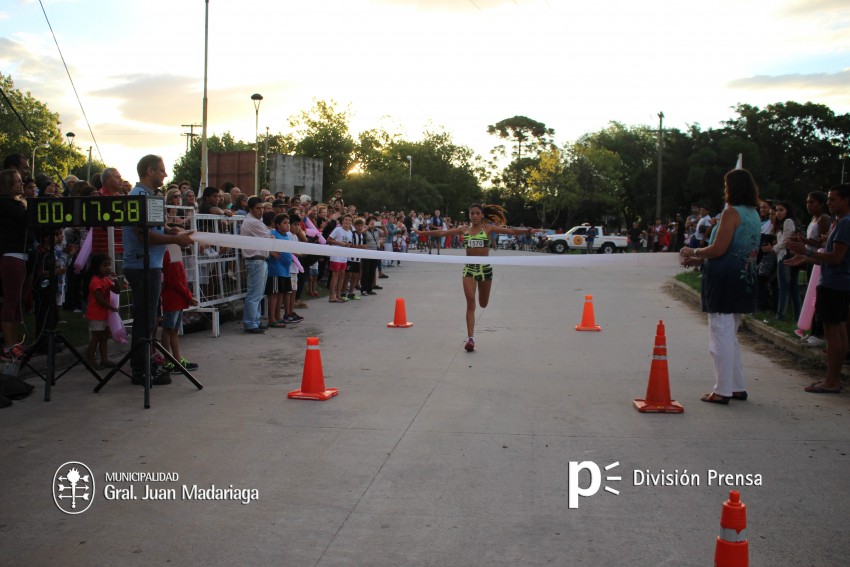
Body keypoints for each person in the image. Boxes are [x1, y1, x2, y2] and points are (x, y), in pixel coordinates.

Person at [680, 169, 761, 404]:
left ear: (732, 188)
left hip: (724, 279)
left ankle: (722, 389)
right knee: (730, 334)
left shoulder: (731, 213)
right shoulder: (754, 214)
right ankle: (736, 385)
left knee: (719, 336)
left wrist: (693, 250)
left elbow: (719, 248)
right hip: (743, 277)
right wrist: (700, 259)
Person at [417, 203, 536, 352]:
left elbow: (511, 230)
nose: (474, 216)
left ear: (482, 215)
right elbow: (442, 233)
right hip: (469, 270)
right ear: (469, 215)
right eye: (472, 213)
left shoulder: (488, 228)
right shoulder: (463, 229)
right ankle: (471, 339)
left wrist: (529, 231)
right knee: (470, 302)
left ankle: (477, 316)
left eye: (477, 213)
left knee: (483, 303)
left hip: (485, 270)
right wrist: (422, 234)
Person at [122, 155, 195, 385]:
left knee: (151, 317)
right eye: (161, 170)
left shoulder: (150, 196)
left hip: (151, 264)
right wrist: (175, 240)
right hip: (140, 264)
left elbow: (154, 226)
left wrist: (170, 230)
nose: (165, 175)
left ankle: (148, 362)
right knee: (145, 318)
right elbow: (143, 234)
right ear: (149, 171)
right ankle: (140, 368)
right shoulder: (138, 196)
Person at [785, 185, 850, 394]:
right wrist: (806, 257)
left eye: (832, 199)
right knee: (839, 331)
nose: (829, 203)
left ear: (846, 200)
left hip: (834, 284)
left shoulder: (845, 224)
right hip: (839, 283)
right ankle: (833, 378)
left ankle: (832, 380)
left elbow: (836, 258)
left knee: (833, 334)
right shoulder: (841, 223)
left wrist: (807, 251)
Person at [0, 169, 31, 362]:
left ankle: (16, 341)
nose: (22, 183)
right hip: (12, 255)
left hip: (22, 255)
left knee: (19, 302)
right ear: (7, 184)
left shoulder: (17, 203)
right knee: (11, 301)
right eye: (18, 181)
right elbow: (26, 219)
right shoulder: (5, 204)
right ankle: (9, 345)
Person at [160, 245, 199, 374]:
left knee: (174, 330)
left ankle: (176, 360)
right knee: (168, 330)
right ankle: (167, 361)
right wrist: (189, 297)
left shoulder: (174, 253)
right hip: (173, 299)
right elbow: (175, 282)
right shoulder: (171, 255)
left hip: (177, 299)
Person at [763, 201, 801, 321]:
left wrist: (773, 248)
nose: (778, 213)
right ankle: (797, 316)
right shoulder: (783, 223)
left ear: (787, 211)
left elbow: (786, 242)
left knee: (784, 287)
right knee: (792, 288)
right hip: (785, 255)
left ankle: (781, 315)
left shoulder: (788, 222)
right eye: (777, 210)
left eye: (781, 210)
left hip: (784, 256)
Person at [240, 196, 274, 333]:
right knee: (254, 294)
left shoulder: (257, 221)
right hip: (255, 260)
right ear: (251, 209)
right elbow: (269, 237)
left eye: (262, 208)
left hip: (260, 259)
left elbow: (269, 236)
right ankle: (250, 323)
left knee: (258, 294)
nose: (261, 211)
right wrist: (270, 235)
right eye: (258, 208)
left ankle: (255, 320)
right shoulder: (252, 222)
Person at [84, 254, 119, 369]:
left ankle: (104, 359)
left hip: (103, 314)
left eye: (109, 265)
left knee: (104, 337)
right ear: (96, 267)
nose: (108, 268)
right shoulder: (95, 281)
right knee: (96, 337)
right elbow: (99, 300)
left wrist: (116, 281)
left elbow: (116, 290)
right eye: (105, 265)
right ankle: (90, 360)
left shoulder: (105, 280)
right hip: (96, 314)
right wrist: (111, 307)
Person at [327, 214, 354, 303]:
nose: (347, 222)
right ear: (343, 221)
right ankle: (332, 296)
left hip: (344, 257)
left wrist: (348, 245)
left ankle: (338, 295)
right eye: (346, 220)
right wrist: (340, 243)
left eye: (349, 220)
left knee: (342, 276)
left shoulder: (350, 232)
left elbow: (348, 243)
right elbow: (329, 240)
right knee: (335, 276)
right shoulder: (338, 229)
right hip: (336, 256)